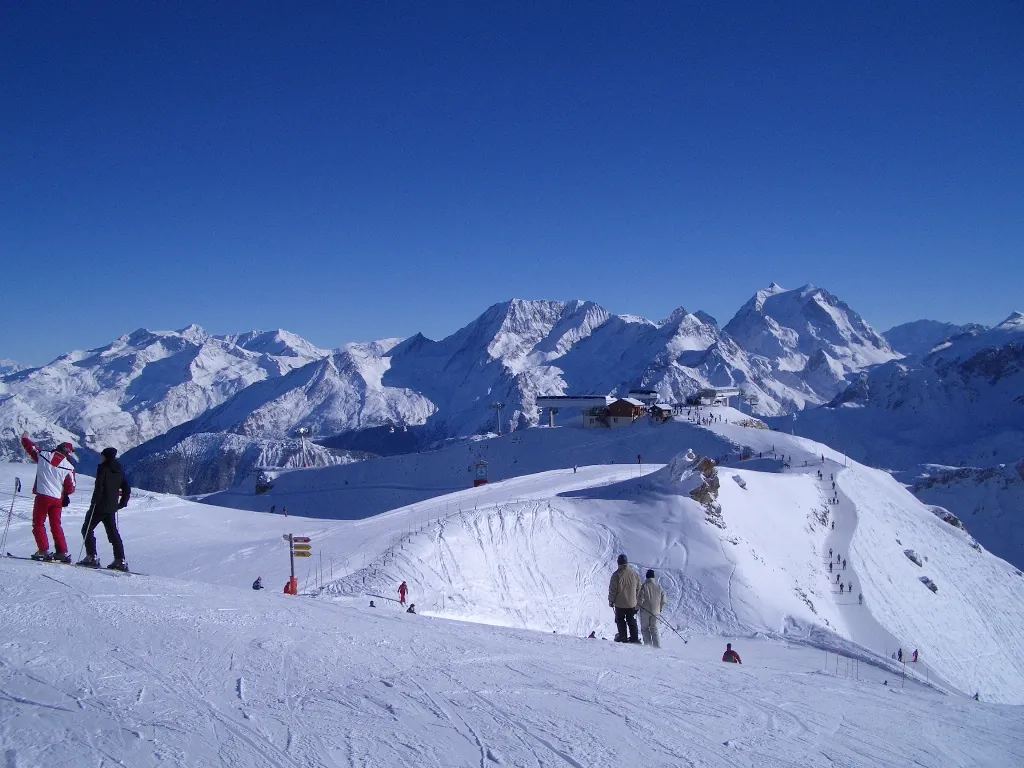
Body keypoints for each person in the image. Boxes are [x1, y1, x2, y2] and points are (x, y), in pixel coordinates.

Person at [20, 432, 76, 562]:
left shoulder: (44, 455)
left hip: (43, 496)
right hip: (57, 499)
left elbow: (31, 448)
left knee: (38, 523)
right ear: (68, 453)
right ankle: (62, 552)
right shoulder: (69, 467)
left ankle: (43, 551)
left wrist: (25, 439)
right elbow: (71, 488)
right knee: (56, 525)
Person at [78, 447, 130, 571]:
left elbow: (99, 486)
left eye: (102, 456)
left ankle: (91, 557)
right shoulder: (119, 470)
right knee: (113, 533)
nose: (100, 458)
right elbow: (126, 488)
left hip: (100, 505)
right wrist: (122, 503)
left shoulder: (103, 468)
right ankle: (120, 560)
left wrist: (94, 502)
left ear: (105, 456)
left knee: (87, 529)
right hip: (112, 507)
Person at [608, 553, 641, 643]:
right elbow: (639, 588)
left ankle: (623, 637)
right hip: (632, 603)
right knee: (632, 620)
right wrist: (636, 600)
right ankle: (634, 638)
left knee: (620, 620)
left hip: (620, 604)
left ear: (618, 563)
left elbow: (612, 590)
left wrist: (611, 600)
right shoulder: (634, 574)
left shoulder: (616, 575)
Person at [637, 569, 666, 649]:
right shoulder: (659, 587)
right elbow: (663, 600)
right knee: (654, 629)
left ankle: (648, 646)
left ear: (647, 577)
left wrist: (637, 608)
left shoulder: (644, 586)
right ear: (654, 577)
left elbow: (640, 599)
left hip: (645, 611)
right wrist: (660, 609)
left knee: (645, 629)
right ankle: (657, 647)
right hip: (656, 612)